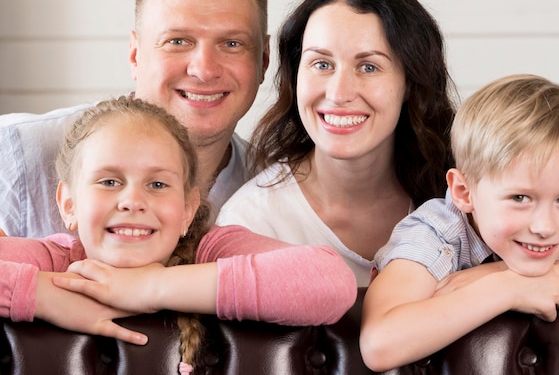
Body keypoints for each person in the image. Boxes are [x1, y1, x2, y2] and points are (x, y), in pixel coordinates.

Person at [0, 96, 356, 374]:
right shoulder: (57, 262)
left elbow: (331, 282)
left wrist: (150, 287)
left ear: (188, 209)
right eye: (109, 181)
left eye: (157, 184)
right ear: (69, 204)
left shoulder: (210, 249)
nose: (133, 201)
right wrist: (42, 294)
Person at [359, 74, 559, 372]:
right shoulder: (434, 233)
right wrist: (507, 289)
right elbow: (380, 344)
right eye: (520, 198)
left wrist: (506, 275)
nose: (545, 227)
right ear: (464, 192)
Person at [0, 0, 270, 237]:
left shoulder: (275, 190)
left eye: (232, 44)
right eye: (177, 41)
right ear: (135, 55)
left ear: (263, 61)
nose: (204, 70)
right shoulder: (17, 153)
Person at [215, 0, 457, 286]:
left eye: (369, 67)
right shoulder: (252, 221)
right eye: (322, 64)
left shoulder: (461, 199)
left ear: (410, 83)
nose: (339, 93)